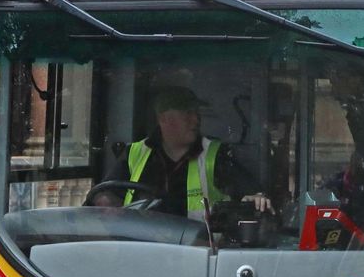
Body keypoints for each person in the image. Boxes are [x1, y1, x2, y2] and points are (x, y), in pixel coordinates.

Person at [94, 86, 270, 220]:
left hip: (200, 255)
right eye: (188, 114)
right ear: (164, 119)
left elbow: (251, 192)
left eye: (197, 113)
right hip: (141, 250)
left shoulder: (214, 155)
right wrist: (105, 203)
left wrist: (255, 197)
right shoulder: (134, 153)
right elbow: (104, 195)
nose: (196, 119)